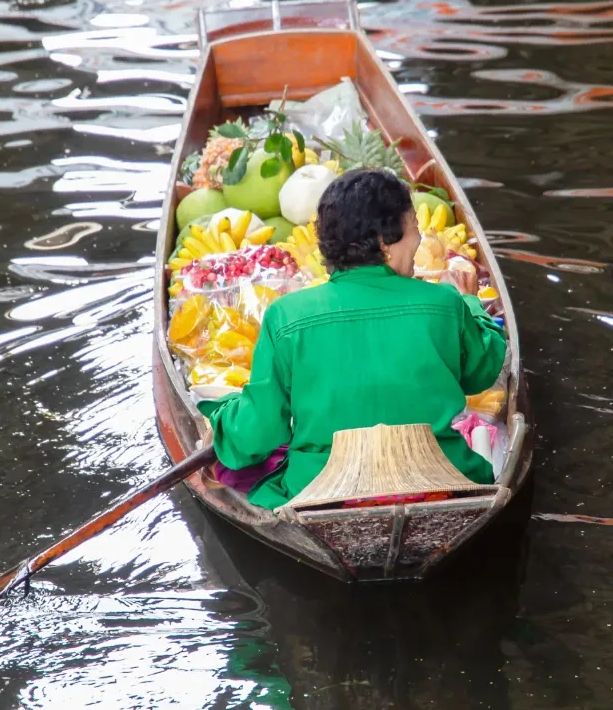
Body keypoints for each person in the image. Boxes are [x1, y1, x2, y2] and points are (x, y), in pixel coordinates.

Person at [196, 168, 507, 510]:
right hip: (437, 481)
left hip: (322, 492)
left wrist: (222, 416)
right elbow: (481, 374)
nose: (418, 240)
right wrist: (471, 305)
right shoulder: (445, 303)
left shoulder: (286, 315)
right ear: (385, 241)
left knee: (235, 462)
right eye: (414, 228)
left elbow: (259, 432)